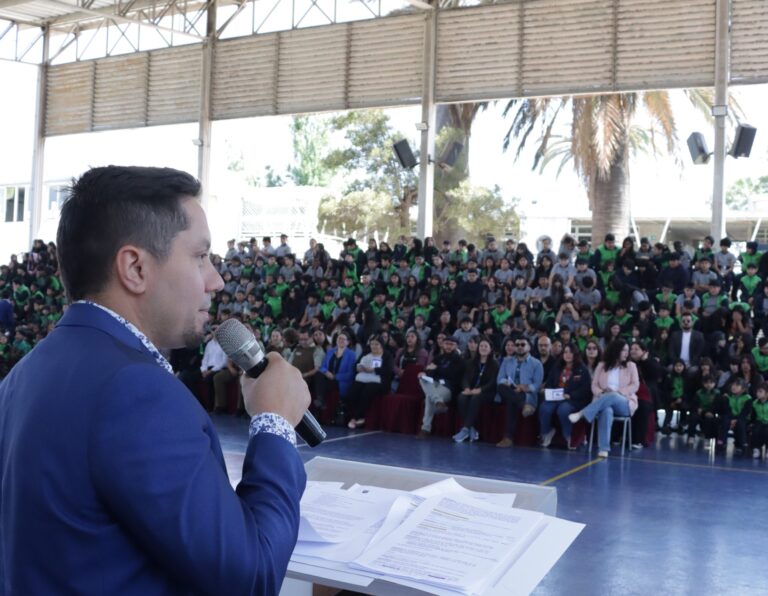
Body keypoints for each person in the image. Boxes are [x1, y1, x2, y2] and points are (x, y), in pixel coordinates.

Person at [0, 166, 309, 594]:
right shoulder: (135, 391)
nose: (215, 280)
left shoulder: (23, 375)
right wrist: (273, 423)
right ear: (135, 268)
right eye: (200, 257)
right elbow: (248, 576)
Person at [569, 339, 639, 458]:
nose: (626, 353)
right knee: (606, 410)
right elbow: (594, 385)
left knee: (612, 395)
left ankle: (582, 413)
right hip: (603, 401)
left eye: (627, 350)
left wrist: (618, 392)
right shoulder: (602, 365)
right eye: (624, 350)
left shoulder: (631, 366)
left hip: (624, 402)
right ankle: (604, 449)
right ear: (615, 350)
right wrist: (601, 392)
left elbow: (635, 385)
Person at [538, 344, 592, 450]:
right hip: (555, 397)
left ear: (575, 354)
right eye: (565, 352)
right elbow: (549, 383)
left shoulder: (582, 369)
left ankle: (568, 436)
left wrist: (570, 395)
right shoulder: (557, 366)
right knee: (544, 408)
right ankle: (547, 432)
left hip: (573, 400)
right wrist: (547, 391)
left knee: (563, 409)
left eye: (570, 352)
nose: (567, 355)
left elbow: (585, 389)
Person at [495, 336, 544, 448]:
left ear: (529, 347)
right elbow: (499, 379)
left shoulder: (537, 364)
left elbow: (537, 386)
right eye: (517, 345)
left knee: (512, 401)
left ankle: (508, 438)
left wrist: (524, 388)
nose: (519, 347)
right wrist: (506, 382)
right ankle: (524, 406)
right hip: (510, 390)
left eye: (523, 345)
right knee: (501, 387)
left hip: (526, 394)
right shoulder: (507, 361)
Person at [416, 335, 465, 438]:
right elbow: (429, 371)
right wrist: (425, 373)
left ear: (456, 346)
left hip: (448, 387)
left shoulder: (459, 359)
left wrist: (436, 369)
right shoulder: (439, 358)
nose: (448, 346)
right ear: (442, 345)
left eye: (451, 344)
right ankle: (438, 401)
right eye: (447, 344)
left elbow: (452, 374)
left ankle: (425, 429)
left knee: (429, 398)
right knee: (422, 378)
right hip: (434, 384)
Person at [453, 338, 499, 443]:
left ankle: (465, 429)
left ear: (490, 349)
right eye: (481, 346)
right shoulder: (471, 362)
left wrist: (480, 390)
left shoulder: (494, 364)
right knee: (461, 397)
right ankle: (471, 428)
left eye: (486, 346)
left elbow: (493, 382)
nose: (483, 348)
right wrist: (467, 388)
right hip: (472, 390)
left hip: (487, 392)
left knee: (475, 398)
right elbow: (465, 378)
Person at [344, 335, 394, 429]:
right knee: (352, 391)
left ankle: (357, 417)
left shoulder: (387, 355)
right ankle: (354, 416)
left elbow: (389, 370)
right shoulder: (366, 353)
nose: (374, 346)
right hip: (364, 378)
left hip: (380, 382)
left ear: (381, 345)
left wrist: (374, 370)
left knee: (366, 391)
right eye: (372, 344)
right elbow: (356, 365)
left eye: (376, 344)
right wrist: (359, 368)